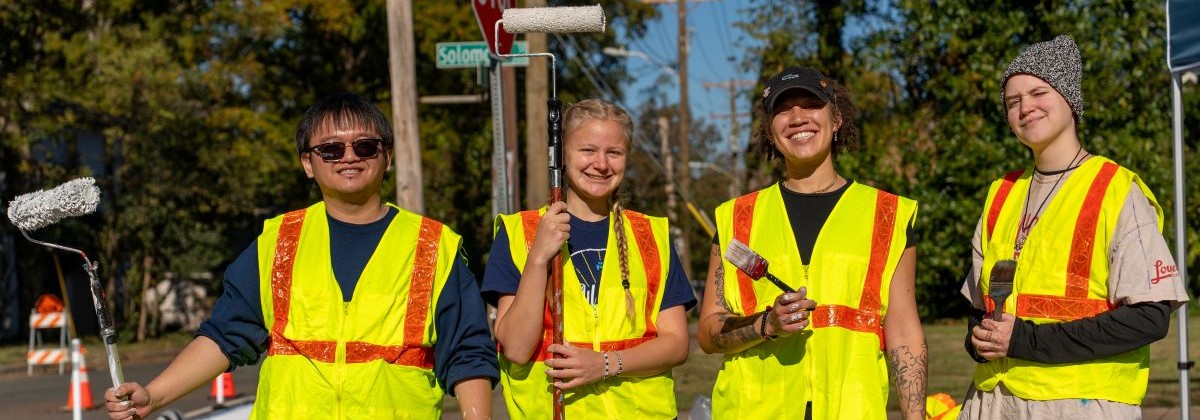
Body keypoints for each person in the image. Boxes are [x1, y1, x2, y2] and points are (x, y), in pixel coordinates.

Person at [103, 92, 498, 419]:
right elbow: (225, 336)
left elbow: (467, 353)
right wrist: (153, 397)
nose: (349, 156)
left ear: (387, 157)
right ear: (308, 163)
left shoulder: (433, 245)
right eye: (330, 149)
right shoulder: (279, 242)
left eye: (365, 146)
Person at [960, 35, 1189, 419]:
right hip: (993, 402)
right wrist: (977, 338)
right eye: (1012, 101)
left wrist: (1024, 340)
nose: (1024, 107)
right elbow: (977, 306)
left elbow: (1150, 317)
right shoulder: (1000, 194)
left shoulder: (1115, 190)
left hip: (1080, 404)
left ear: (1070, 99)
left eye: (1037, 93)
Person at [697, 66, 927, 419]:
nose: (797, 117)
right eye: (783, 109)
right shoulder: (737, 217)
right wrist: (766, 325)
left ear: (836, 120)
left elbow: (904, 330)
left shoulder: (887, 214)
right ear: (770, 132)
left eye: (810, 104)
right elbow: (709, 333)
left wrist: (916, 416)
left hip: (851, 409)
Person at [481, 99, 696, 419]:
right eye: (587, 150)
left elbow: (677, 344)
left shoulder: (651, 235)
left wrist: (606, 364)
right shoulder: (518, 233)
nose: (601, 163)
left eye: (614, 152)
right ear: (563, 155)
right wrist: (538, 259)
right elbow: (516, 348)